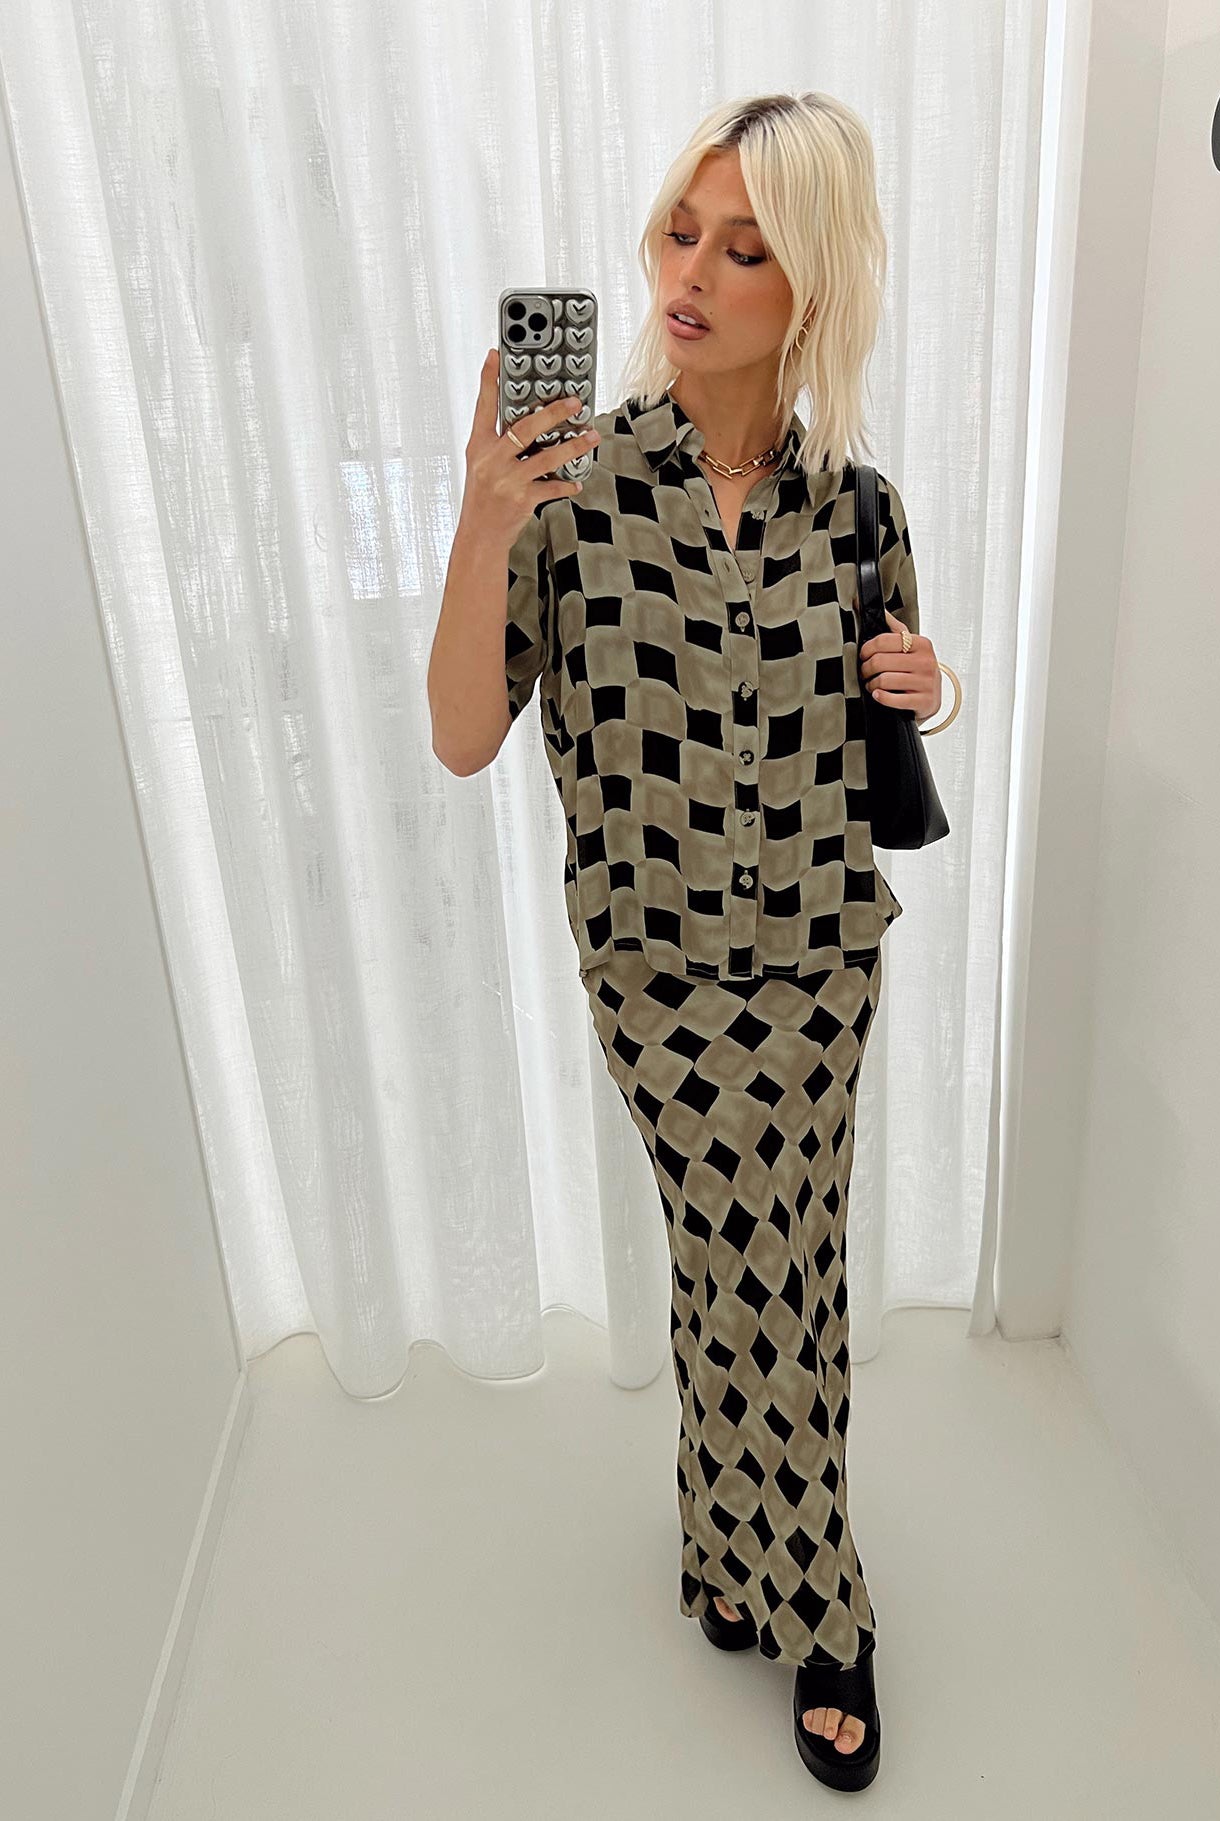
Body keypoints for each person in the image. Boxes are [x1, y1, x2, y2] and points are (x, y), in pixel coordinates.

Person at [429, 90, 942, 1794]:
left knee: (769, 1266)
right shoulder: (568, 494)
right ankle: (808, 1593)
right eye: (679, 232)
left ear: (814, 285)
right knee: (746, 1259)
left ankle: (751, 1561)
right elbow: (461, 734)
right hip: (651, 968)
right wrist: (482, 520)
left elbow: (887, 716)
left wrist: (926, 682)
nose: (693, 276)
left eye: (746, 248)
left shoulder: (858, 508)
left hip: (820, 955)